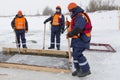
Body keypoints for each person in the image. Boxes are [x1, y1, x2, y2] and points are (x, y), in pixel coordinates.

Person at [66, 2, 92, 77]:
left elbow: (78, 28)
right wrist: (69, 24)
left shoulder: (80, 16)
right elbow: (74, 25)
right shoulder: (76, 16)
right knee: (75, 54)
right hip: (77, 39)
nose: (70, 13)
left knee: (78, 54)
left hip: (82, 38)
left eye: (70, 11)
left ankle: (86, 70)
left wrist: (69, 34)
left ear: (74, 10)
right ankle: (78, 69)